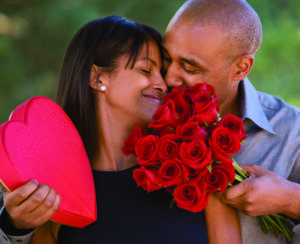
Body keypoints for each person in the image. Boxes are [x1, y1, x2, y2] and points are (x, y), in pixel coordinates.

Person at [0, 16, 241, 244]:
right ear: (98, 78)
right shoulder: (55, 196)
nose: (162, 84)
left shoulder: (195, 174)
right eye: (146, 70)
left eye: (161, 73)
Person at [162, 0, 300, 243]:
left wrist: (291, 200)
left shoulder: (293, 132)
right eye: (166, 58)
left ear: (241, 68)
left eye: (189, 67)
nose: (169, 77)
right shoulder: (148, 113)